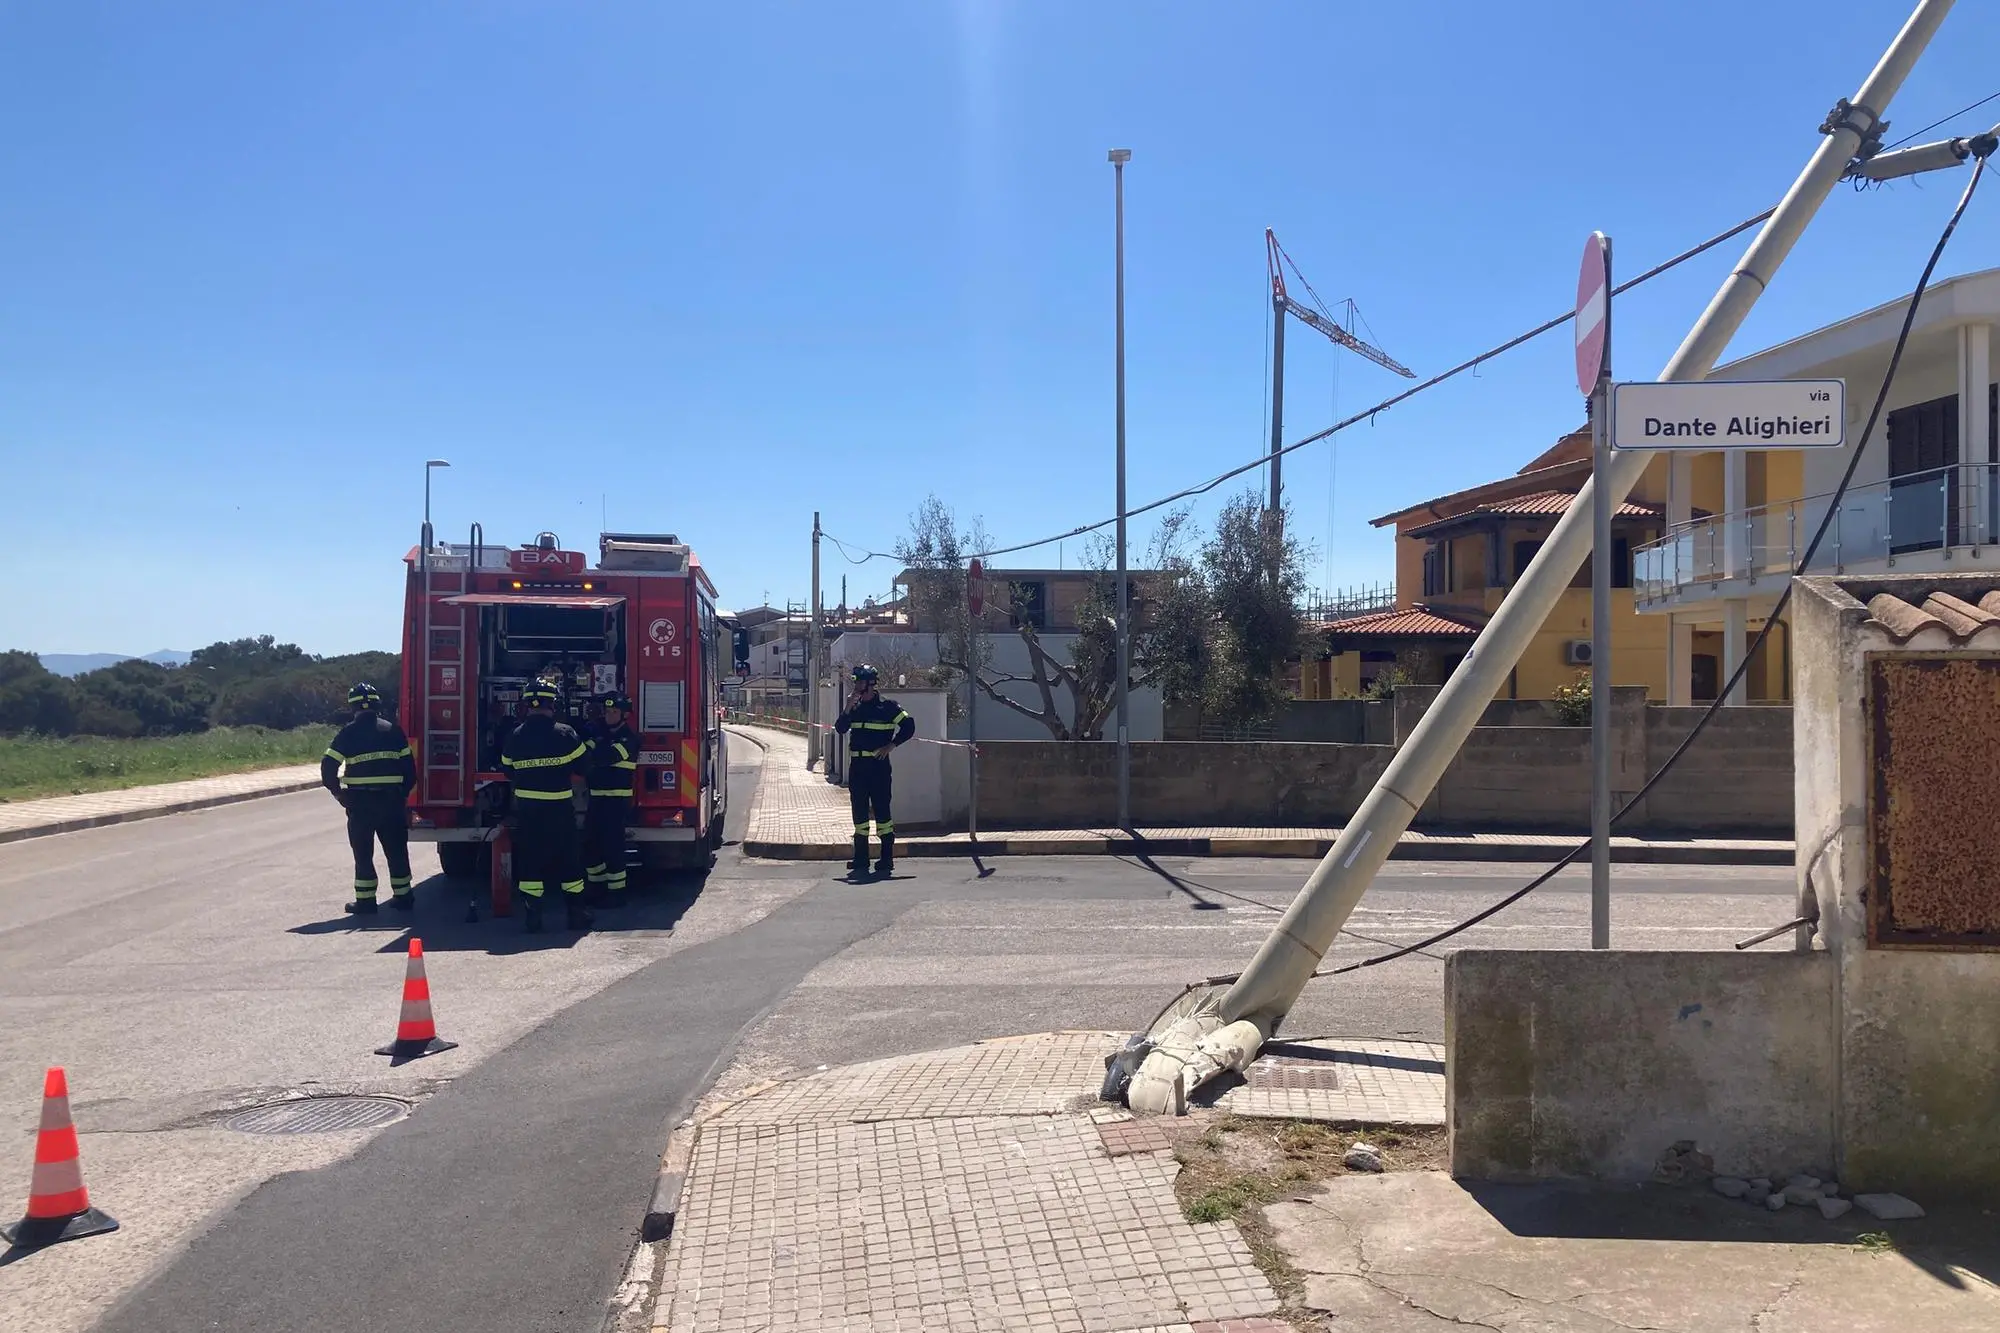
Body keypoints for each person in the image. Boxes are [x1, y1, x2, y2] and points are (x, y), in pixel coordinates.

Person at [500, 678, 594, 933]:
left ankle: (533, 918)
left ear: (527, 705)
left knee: (530, 862)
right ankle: (576, 915)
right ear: (552, 703)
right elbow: (584, 766)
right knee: (569, 862)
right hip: (559, 810)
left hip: (528, 811)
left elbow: (507, 768)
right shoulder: (564, 733)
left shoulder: (516, 736)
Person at [321, 682, 418, 915]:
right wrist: (402, 795)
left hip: (360, 804)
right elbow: (410, 771)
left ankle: (366, 902)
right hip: (391, 802)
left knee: (363, 853)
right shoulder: (393, 731)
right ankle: (403, 896)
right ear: (377, 704)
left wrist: (338, 793)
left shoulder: (348, 733)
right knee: (396, 850)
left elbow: (328, 766)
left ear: (352, 707)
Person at [832, 665, 914, 878]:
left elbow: (909, 726)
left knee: (882, 814)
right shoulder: (856, 708)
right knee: (859, 815)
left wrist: (892, 746)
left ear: (870, 684)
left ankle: (886, 860)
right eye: (856, 682)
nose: (856, 686)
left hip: (878, 767)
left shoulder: (887, 707)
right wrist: (847, 708)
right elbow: (840, 728)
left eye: (859, 682)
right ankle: (861, 859)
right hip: (858, 768)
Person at [582, 694, 637, 906]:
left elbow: (606, 757)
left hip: (617, 801)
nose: (609, 716)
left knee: (613, 846)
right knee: (591, 844)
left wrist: (595, 747)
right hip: (596, 799)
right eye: (607, 712)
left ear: (624, 715)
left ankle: (617, 893)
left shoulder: (629, 738)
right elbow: (584, 754)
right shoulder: (598, 734)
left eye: (614, 712)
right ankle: (596, 887)